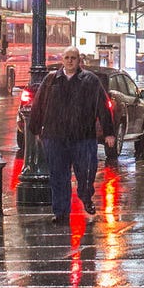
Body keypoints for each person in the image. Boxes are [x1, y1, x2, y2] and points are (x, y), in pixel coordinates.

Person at [27, 48, 114, 223]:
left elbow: (103, 107)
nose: (69, 61)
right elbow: (38, 105)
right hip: (55, 137)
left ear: (79, 60)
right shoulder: (51, 80)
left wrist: (109, 132)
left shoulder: (91, 81)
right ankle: (61, 213)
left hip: (82, 137)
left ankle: (85, 195)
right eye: (66, 58)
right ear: (62, 60)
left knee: (86, 172)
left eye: (73, 58)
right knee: (58, 176)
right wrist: (36, 130)